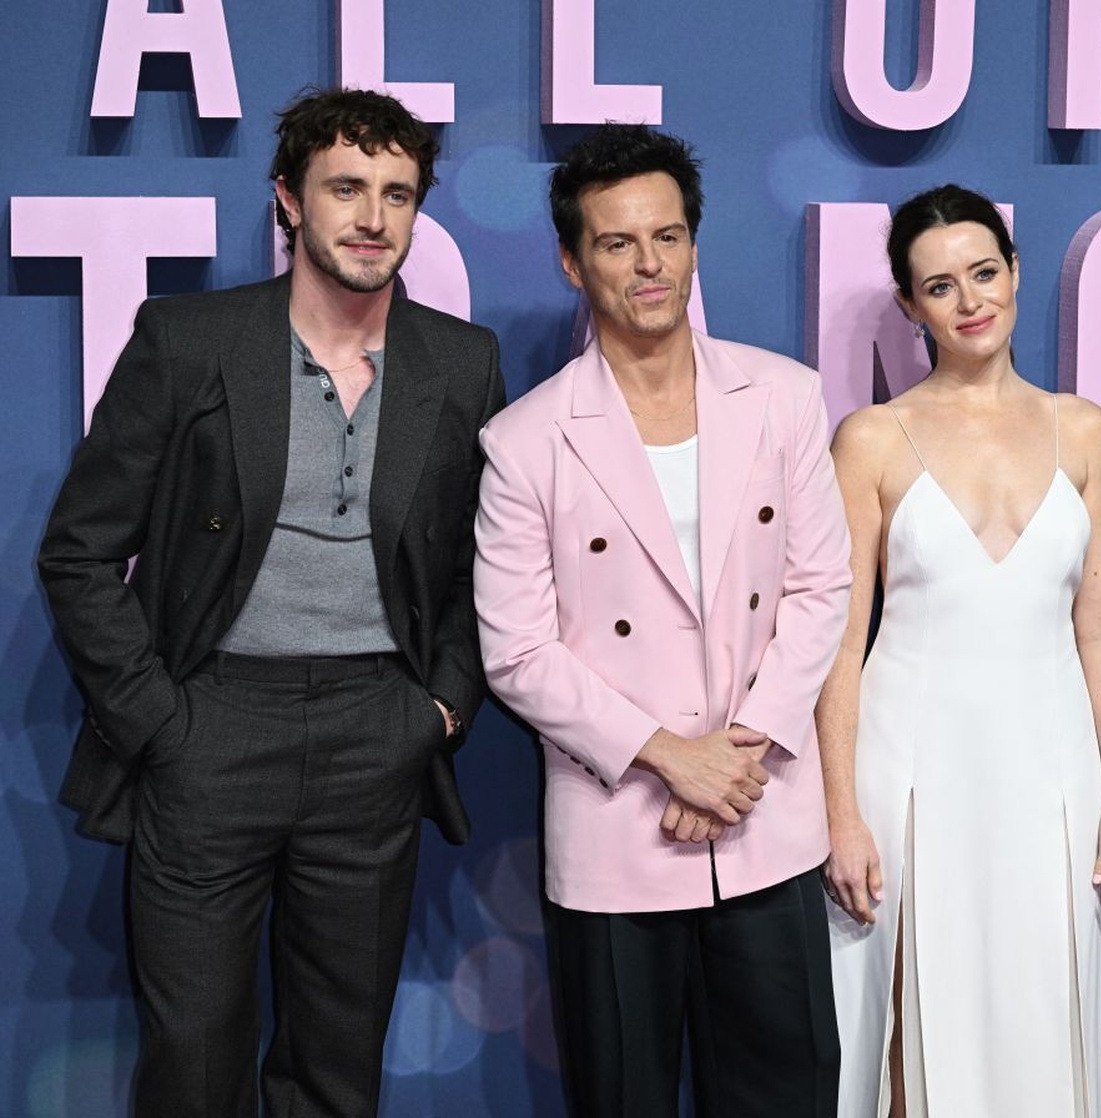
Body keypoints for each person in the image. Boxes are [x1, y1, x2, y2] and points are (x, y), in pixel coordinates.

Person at [36, 88, 504, 1117]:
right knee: (193, 1063)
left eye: (397, 194)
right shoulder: (189, 340)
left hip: (376, 733)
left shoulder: (461, 363)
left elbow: (488, 564)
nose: (372, 217)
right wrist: (162, 723)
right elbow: (78, 551)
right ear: (289, 198)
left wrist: (436, 708)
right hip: (211, 729)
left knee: (338, 1066)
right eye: (346, 188)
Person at [473, 122, 852, 1117]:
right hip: (617, 834)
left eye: (667, 236)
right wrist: (669, 758)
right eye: (616, 242)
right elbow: (516, 650)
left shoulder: (783, 397)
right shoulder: (525, 441)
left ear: (692, 244)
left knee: (788, 1095)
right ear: (572, 261)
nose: (648, 264)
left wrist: (739, 754)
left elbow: (822, 586)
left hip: (764, 815)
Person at [820, 184, 1101, 1117]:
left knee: (1044, 1018)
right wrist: (840, 814)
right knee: (905, 1031)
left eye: (983, 273)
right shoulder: (871, 440)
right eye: (939, 286)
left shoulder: (1082, 429)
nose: (969, 301)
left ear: (1014, 272)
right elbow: (839, 643)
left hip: (1052, 776)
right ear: (908, 304)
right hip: (909, 775)